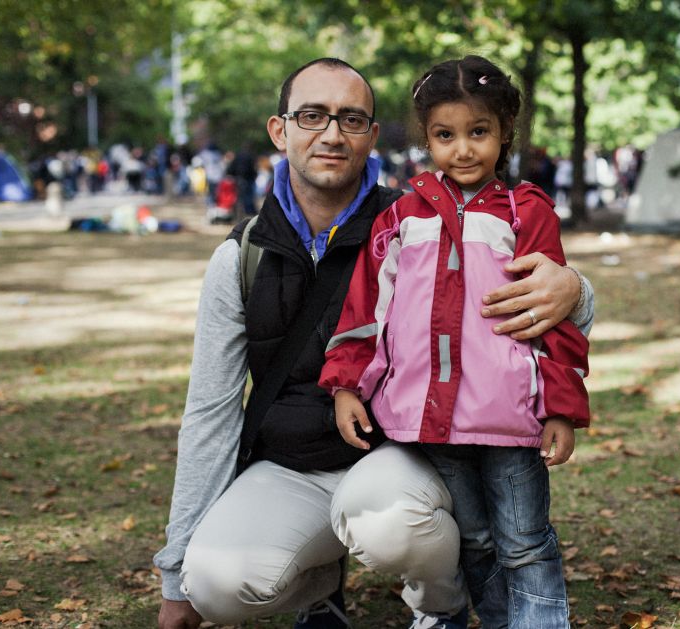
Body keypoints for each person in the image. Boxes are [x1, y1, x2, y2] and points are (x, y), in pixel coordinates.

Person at [154, 57, 595, 629]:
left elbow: (547, 304)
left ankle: (439, 606)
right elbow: (209, 413)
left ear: (371, 135)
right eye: (312, 116)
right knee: (214, 582)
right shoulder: (242, 257)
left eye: (352, 119)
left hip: (401, 450)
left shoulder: (419, 215)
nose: (332, 133)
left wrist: (576, 288)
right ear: (279, 131)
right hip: (292, 464)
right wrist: (175, 572)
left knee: (405, 524)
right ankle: (319, 583)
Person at [320, 55, 590, 628]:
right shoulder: (401, 217)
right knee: (476, 542)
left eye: (478, 132)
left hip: (511, 420)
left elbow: (555, 319)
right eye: (445, 135)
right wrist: (346, 382)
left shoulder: (526, 211)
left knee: (524, 542)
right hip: (433, 420)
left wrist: (561, 408)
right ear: (426, 138)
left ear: (504, 134)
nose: (462, 149)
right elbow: (368, 308)